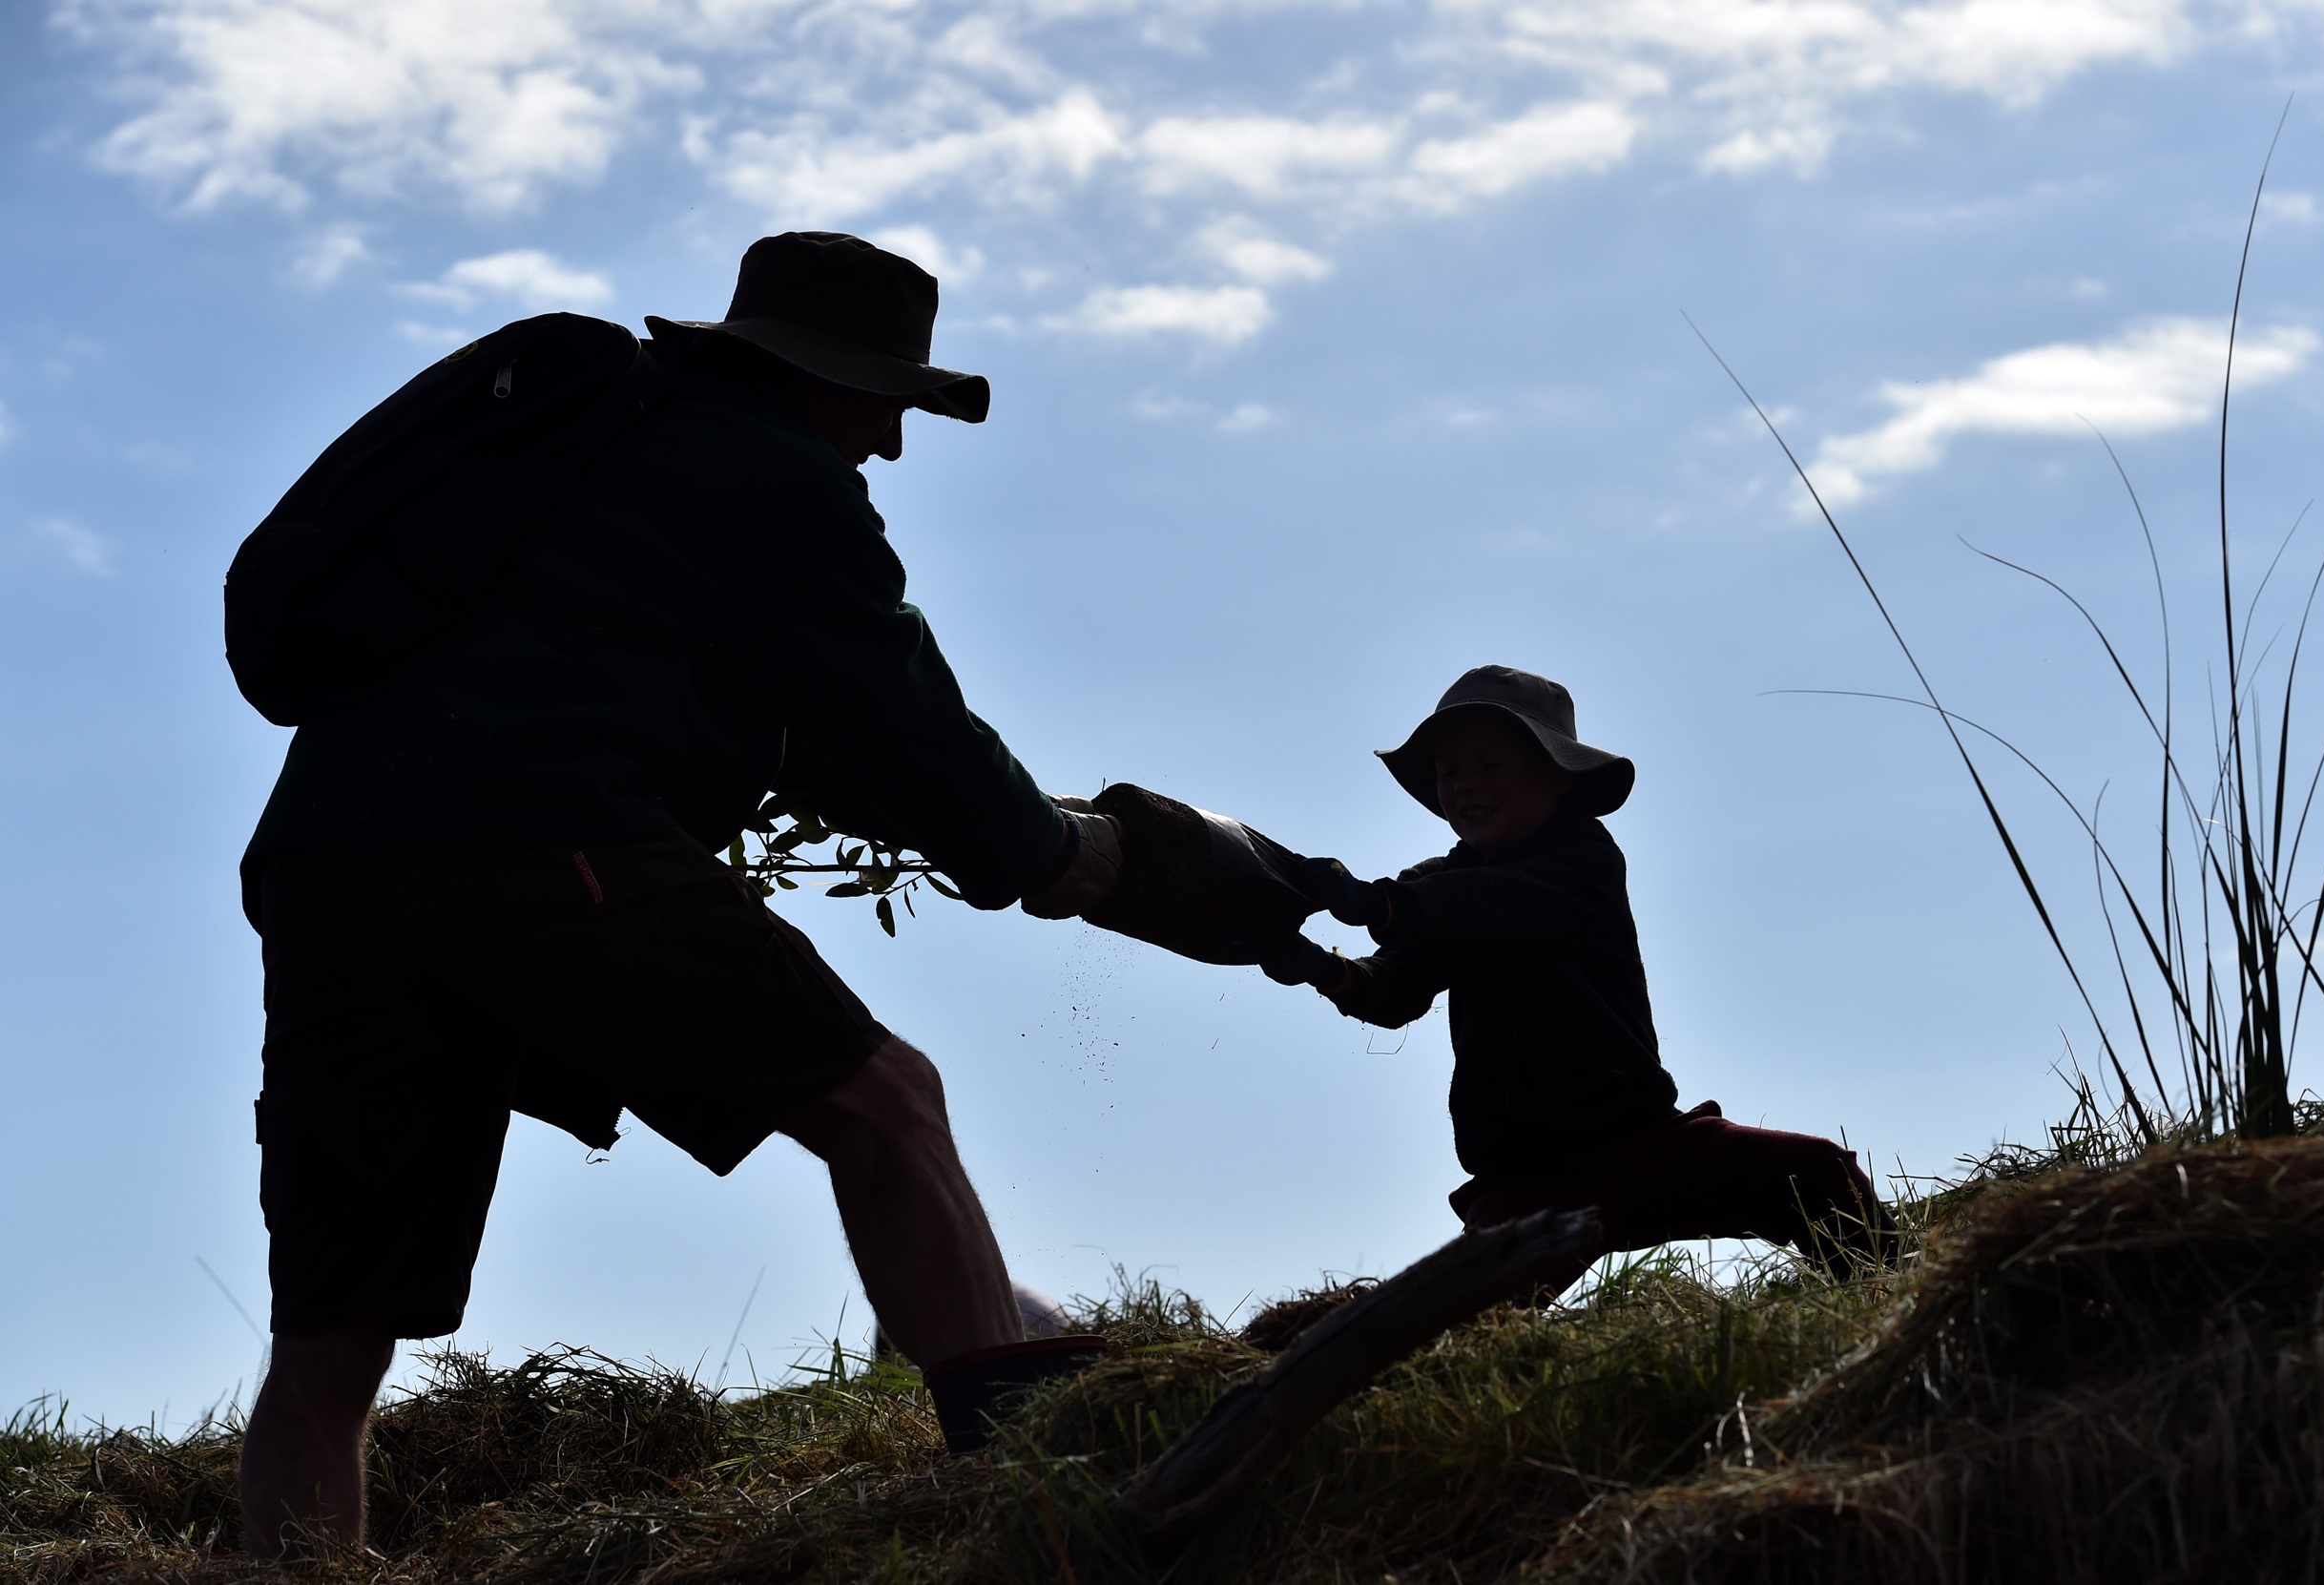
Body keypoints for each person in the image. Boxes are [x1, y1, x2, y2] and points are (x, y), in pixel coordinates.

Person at [234, 232, 1114, 1557]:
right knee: (888, 1103)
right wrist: (1060, 852)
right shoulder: (774, 473)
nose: (889, 445)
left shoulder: (592, 453)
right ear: (823, 380)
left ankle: (294, 1564)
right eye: (888, 403)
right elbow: (909, 728)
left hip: (329, 864)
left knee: (334, 1319)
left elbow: (814, 744)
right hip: (532, 829)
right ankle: (1032, 1504)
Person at [1258, 665, 1886, 1289]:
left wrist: (1380, 905)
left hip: (1641, 1146)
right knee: (1460, 1315)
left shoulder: (1581, 859)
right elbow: (1394, 990)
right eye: (1450, 771)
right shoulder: (1434, 886)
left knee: (1820, 1176)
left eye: (1489, 763)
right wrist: (1322, 967)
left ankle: (1895, 1292)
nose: (1465, 783)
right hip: (1522, 1180)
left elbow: (1492, 901)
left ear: (1556, 777)